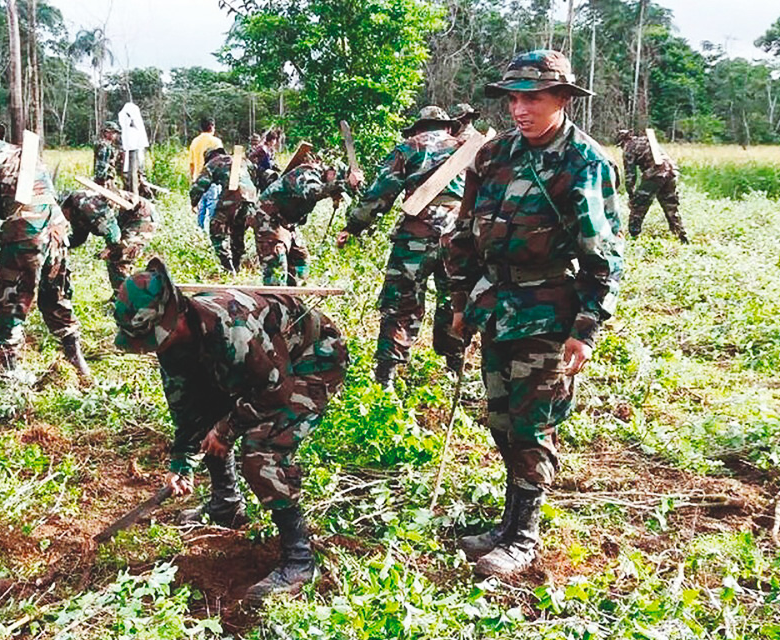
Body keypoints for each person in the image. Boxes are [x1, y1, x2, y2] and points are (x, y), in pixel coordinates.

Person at [445, 50, 624, 577]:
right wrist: (460, 302)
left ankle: (524, 535)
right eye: (514, 98)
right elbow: (462, 234)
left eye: (534, 98)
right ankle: (507, 521)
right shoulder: (493, 155)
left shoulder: (585, 163)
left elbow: (604, 254)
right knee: (502, 420)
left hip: (547, 313)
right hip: (494, 307)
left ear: (563, 100)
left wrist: (586, 328)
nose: (520, 109)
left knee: (534, 426)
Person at [112, 258, 348, 604]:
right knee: (211, 420)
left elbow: (274, 391)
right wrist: (181, 460)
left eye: (155, 336)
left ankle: (299, 561)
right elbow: (187, 405)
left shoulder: (231, 327)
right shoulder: (172, 345)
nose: (153, 345)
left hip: (311, 359)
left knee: (261, 446)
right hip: (262, 373)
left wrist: (226, 429)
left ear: (177, 314)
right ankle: (226, 504)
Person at [336, 103, 481, 390]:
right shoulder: (470, 149)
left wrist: (353, 226)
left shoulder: (408, 148)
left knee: (400, 306)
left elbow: (380, 195)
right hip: (459, 238)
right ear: (449, 127)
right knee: (454, 302)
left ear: (417, 128)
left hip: (416, 237)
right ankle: (455, 369)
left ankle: (386, 378)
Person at [0, 116, 92, 382]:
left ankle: (10, 374)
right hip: (56, 233)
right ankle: (79, 364)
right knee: (56, 297)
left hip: (23, 237)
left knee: (11, 301)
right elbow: (49, 195)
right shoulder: (24, 153)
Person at [254, 155, 358, 286]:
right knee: (277, 266)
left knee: (301, 262)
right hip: (269, 219)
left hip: (287, 224)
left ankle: (293, 299)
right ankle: (275, 301)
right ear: (332, 172)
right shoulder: (307, 173)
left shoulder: (320, 179)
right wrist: (343, 185)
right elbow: (312, 192)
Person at [60, 188, 159, 296]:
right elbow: (79, 238)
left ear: (66, 207)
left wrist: (110, 249)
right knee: (115, 254)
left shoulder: (88, 206)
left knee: (119, 256)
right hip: (124, 219)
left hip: (141, 217)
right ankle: (120, 295)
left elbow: (113, 233)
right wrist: (60, 245)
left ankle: (127, 300)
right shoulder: (75, 213)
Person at [189, 145, 258, 274]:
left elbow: (199, 186)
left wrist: (194, 202)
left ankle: (228, 269)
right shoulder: (241, 160)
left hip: (233, 197)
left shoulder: (214, 163)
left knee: (216, 230)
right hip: (251, 200)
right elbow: (255, 176)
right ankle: (237, 265)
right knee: (237, 232)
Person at [618, 129, 687, 243]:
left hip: (655, 173)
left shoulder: (628, 148)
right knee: (670, 206)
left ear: (622, 142)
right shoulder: (646, 140)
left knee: (638, 206)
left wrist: (631, 195)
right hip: (671, 171)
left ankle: (633, 237)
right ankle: (681, 236)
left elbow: (630, 175)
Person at [188, 117, 222, 181]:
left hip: (197, 179)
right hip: (211, 180)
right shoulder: (216, 142)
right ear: (211, 127)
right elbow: (221, 162)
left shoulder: (195, 141)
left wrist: (193, 179)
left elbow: (191, 164)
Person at [93, 121, 123, 188]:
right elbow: (102, 165)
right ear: (106, 132)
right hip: (105, 180)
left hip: (108, 178)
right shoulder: (104, 146)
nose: (115, 135)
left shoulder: (108, 145)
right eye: (114, 132)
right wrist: (103, 181)